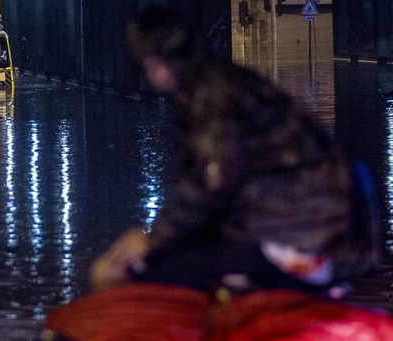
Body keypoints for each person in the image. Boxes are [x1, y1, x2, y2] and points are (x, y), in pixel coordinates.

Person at [90, 6, 380, 299]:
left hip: (292, 239)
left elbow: (212, 180)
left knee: (121, 271)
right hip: (321, 235)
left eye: (154, 63)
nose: (156, 74)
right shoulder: (230, 85)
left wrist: (153, 240)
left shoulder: (213, 96)